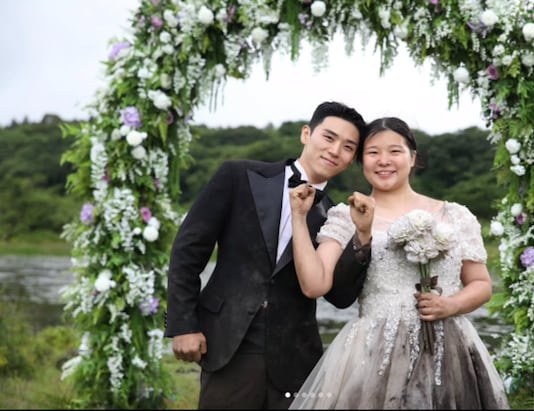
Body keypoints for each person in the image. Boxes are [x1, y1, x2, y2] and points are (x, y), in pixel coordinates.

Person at [287, 117, 510, 409]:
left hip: (450, 351)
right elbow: (314, 285)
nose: (384, 161)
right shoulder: (345, 215)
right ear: (362, 161)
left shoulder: (455, 215)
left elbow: (481, 284)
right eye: (373, 152)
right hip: (373, 354)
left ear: (412, 157)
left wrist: (450, 305)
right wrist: (299, 217)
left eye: (394, 151)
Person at [164, 101, 373, 409]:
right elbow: (188, 251)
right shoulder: (238, 176)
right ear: (306, 134)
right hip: (228, 340)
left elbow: (339, 297)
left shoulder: (337, 217)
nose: (335, 150)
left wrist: (362, 240)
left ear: (352, 158)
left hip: (296, 356)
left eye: (348, 147)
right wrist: (183, 324)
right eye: (329, 137)